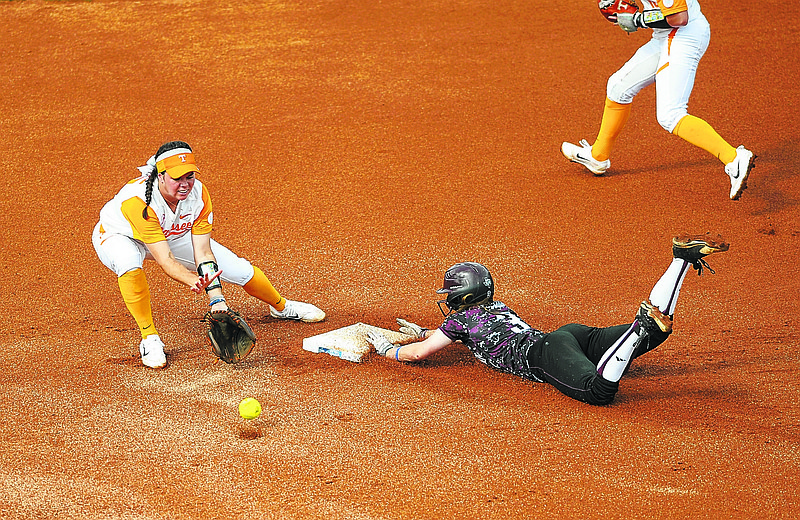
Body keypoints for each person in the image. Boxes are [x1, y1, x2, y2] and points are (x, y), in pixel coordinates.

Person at [366, 234, 728, 405]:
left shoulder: (461, 323)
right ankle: (681, 260)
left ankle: (638, 331)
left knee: (599, 392)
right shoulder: (494, 309)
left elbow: (420, 354)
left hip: (546, 353)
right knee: (656, 336)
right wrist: (424, 331)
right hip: (570, 336)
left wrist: (387, 350)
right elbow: (451, 336)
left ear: (461, 297)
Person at [92, 140, 325, 369]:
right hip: (119, 236)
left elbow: (203, 251)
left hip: (171, 235)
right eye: (176, 178)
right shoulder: (137, 201)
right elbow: (166, 260)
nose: (185, 184)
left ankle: (282, 307)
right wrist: (194, 280)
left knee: (238, 269)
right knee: (128, 262)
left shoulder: (199, 195)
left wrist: (217, 300)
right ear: (160, 176)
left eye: (189, 177)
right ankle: (149, 338)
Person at [561, 0, 755, 200]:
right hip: (664, 37)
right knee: (618, 87)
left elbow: (679, 18)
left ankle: (734, 158)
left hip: (684, 36)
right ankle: (598, 157)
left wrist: (638, 19)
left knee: (670, 115)